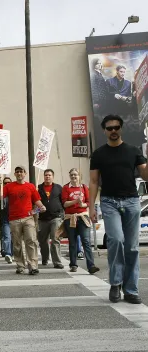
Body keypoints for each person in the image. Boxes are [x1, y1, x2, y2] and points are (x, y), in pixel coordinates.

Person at [89, 114, 148, 304]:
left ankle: (130, 289)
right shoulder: (99, 154)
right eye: (109, 128)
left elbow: (145, 175)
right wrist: (91, 207)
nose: (113, 131)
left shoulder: (133, 151)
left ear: (121, 129)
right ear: (104, 131)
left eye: (116, 127)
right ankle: (115, 284)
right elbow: (93, 181)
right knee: (115, 239)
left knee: (131, 247)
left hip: (131, 201)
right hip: (109, 201)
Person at [0, 166, 46, 275]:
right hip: (14, 219)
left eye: (21, 172)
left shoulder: (30, 186)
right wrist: (0, 185)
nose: (19, 173)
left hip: (28, 218)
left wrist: (42, 206)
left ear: (25, 174)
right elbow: (0, 197)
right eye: (17, 172)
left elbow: (37, 200)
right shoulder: (9, 186)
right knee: (17, 243)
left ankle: (33, 266)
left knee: (31, 241)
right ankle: (20, 265)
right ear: (15, 174)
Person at [61, 168, 99, 274]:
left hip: (83, 216)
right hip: (70, 217)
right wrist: (75, 201)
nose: (73, 177)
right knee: (72, 242)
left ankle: (91, 265)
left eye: (75, 175)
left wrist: (84, 205)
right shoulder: (65, 188)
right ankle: (73, 264)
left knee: (86, 241)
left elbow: (88, 202)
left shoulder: (84, 187)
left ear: (79, 176)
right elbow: (64, 204)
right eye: (72, 175)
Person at [37, 169, 64, 269]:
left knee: (55, 239)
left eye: (49, 175)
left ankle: (57, 262)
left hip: (56, 217)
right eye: (46, 175)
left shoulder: (58, 188)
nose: (47, 177)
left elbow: (63, 201)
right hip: (42, 219)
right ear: (43, 176)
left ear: (53, 176)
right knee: (42, 241)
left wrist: (63, 214)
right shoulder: (38, 188)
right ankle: (45, 258)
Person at [0, 177, 13, 262]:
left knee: (14, 238)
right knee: (7, 236)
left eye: (9, 183)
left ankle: (12, 253)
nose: (7, 184)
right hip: (5, 219)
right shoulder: (2, 193)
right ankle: (8, 253)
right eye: (5, 183)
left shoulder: (13, 192)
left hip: (14, 218)